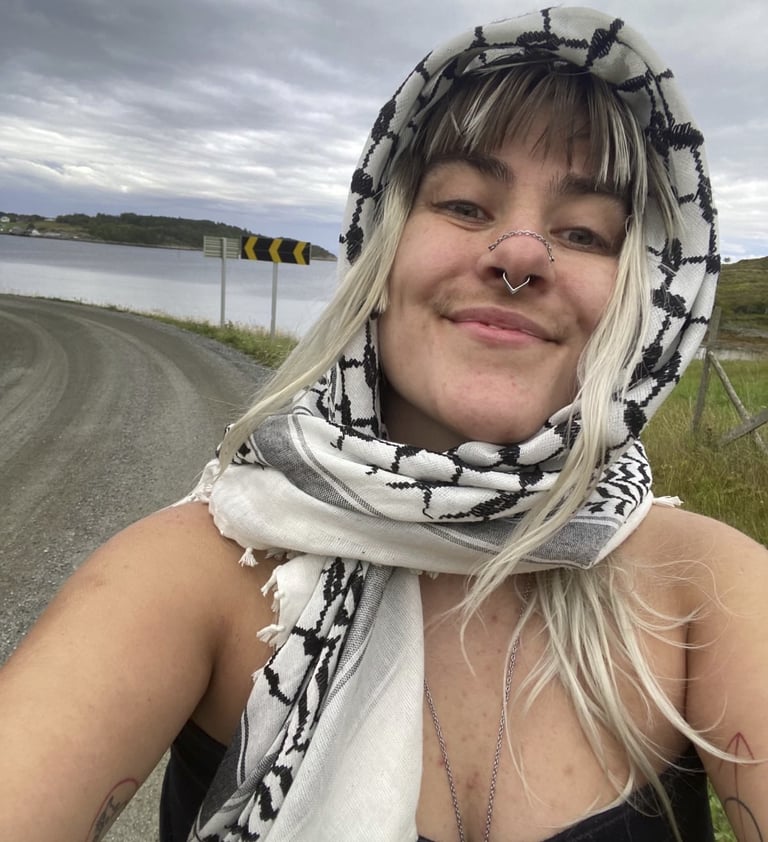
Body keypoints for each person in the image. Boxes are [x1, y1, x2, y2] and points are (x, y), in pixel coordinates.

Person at [1, 6, 767, 842]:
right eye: (466, 206)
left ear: (646, 293)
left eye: (584, 232)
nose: (520, 254)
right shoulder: (196, 575)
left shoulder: (706, 591)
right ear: (382, 243)